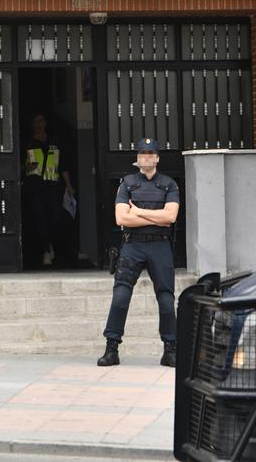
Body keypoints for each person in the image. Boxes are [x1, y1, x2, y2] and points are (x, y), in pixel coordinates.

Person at [97, 137, 180, 367]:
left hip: (160, 246)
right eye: (142, 153)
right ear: (137, 158)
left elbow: (170, 217)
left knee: (165, 299)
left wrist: (140, 212)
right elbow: (121, 218)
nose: (146, 157)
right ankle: (111, 348)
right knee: (121, 297)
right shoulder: (128, 183)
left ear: (157, 158)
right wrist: (156, 217)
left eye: (150, 153)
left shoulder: (169, 184)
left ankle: (170, 349)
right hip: (133, 245)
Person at [21, 113, 75, 269]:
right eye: (36, 121)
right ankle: (45, 251)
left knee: (55, 217)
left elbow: (62, 165)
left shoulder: (54, 142)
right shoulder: (28, 142)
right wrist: (25, 168)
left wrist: (69, 186)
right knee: (40, 218)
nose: (39, 124)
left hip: (52, 184)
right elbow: (15, 164)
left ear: (45, 123)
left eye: (41, 120)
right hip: (35, 185)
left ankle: (51, 245)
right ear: (32, 125)